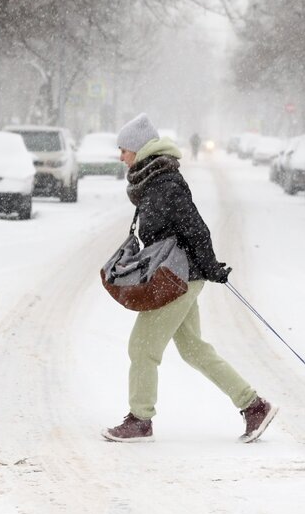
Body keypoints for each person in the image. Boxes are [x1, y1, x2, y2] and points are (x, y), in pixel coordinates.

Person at [102, 113, 278, 443]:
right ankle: (254, 406)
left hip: (178, 278)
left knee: (141, 348)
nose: (120, 156)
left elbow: (196, 228)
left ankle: (140, 420)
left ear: (139, 150)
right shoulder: (153, 181)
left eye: (123, 149)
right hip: (179, 275)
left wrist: (209, 265)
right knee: (194, 350)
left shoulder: (165, 184)